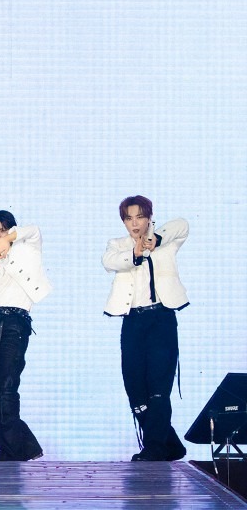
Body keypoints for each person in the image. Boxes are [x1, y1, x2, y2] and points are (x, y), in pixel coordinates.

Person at [103, 195, 189, 462]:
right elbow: (109, 261)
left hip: (161, 319)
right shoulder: (118, 245)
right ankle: (169, 444)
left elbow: (182, 225)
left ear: (149, 217)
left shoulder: (166, 242)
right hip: (133, 321)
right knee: (136, 390)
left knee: (159, 388)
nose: (135, 223)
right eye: (129, 218)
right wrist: (135, 253)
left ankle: (154, 448)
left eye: (140, 217)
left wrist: (156, 239)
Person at [0, 210, 49, 461]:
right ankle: (22, 447)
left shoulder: (28, 249)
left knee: (6, 387)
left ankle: (12, 450)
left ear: (11, 230)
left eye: (2, 230)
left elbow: (33, 230)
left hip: (16, 321)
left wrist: (7, 241)